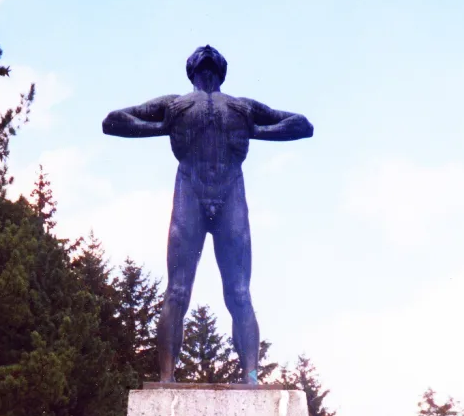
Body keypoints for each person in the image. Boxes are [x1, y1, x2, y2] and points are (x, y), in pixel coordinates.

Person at [103, 45, 313, 383]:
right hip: (191, 192)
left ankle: (251, 377)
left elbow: (302, 125)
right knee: (177, 291)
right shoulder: (175, 104)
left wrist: (257, 131)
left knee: (239, 292)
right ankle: (168, 378)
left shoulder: (241, 106)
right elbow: (113, 121)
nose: (207, 55)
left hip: (230, 193)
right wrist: (162, 126)